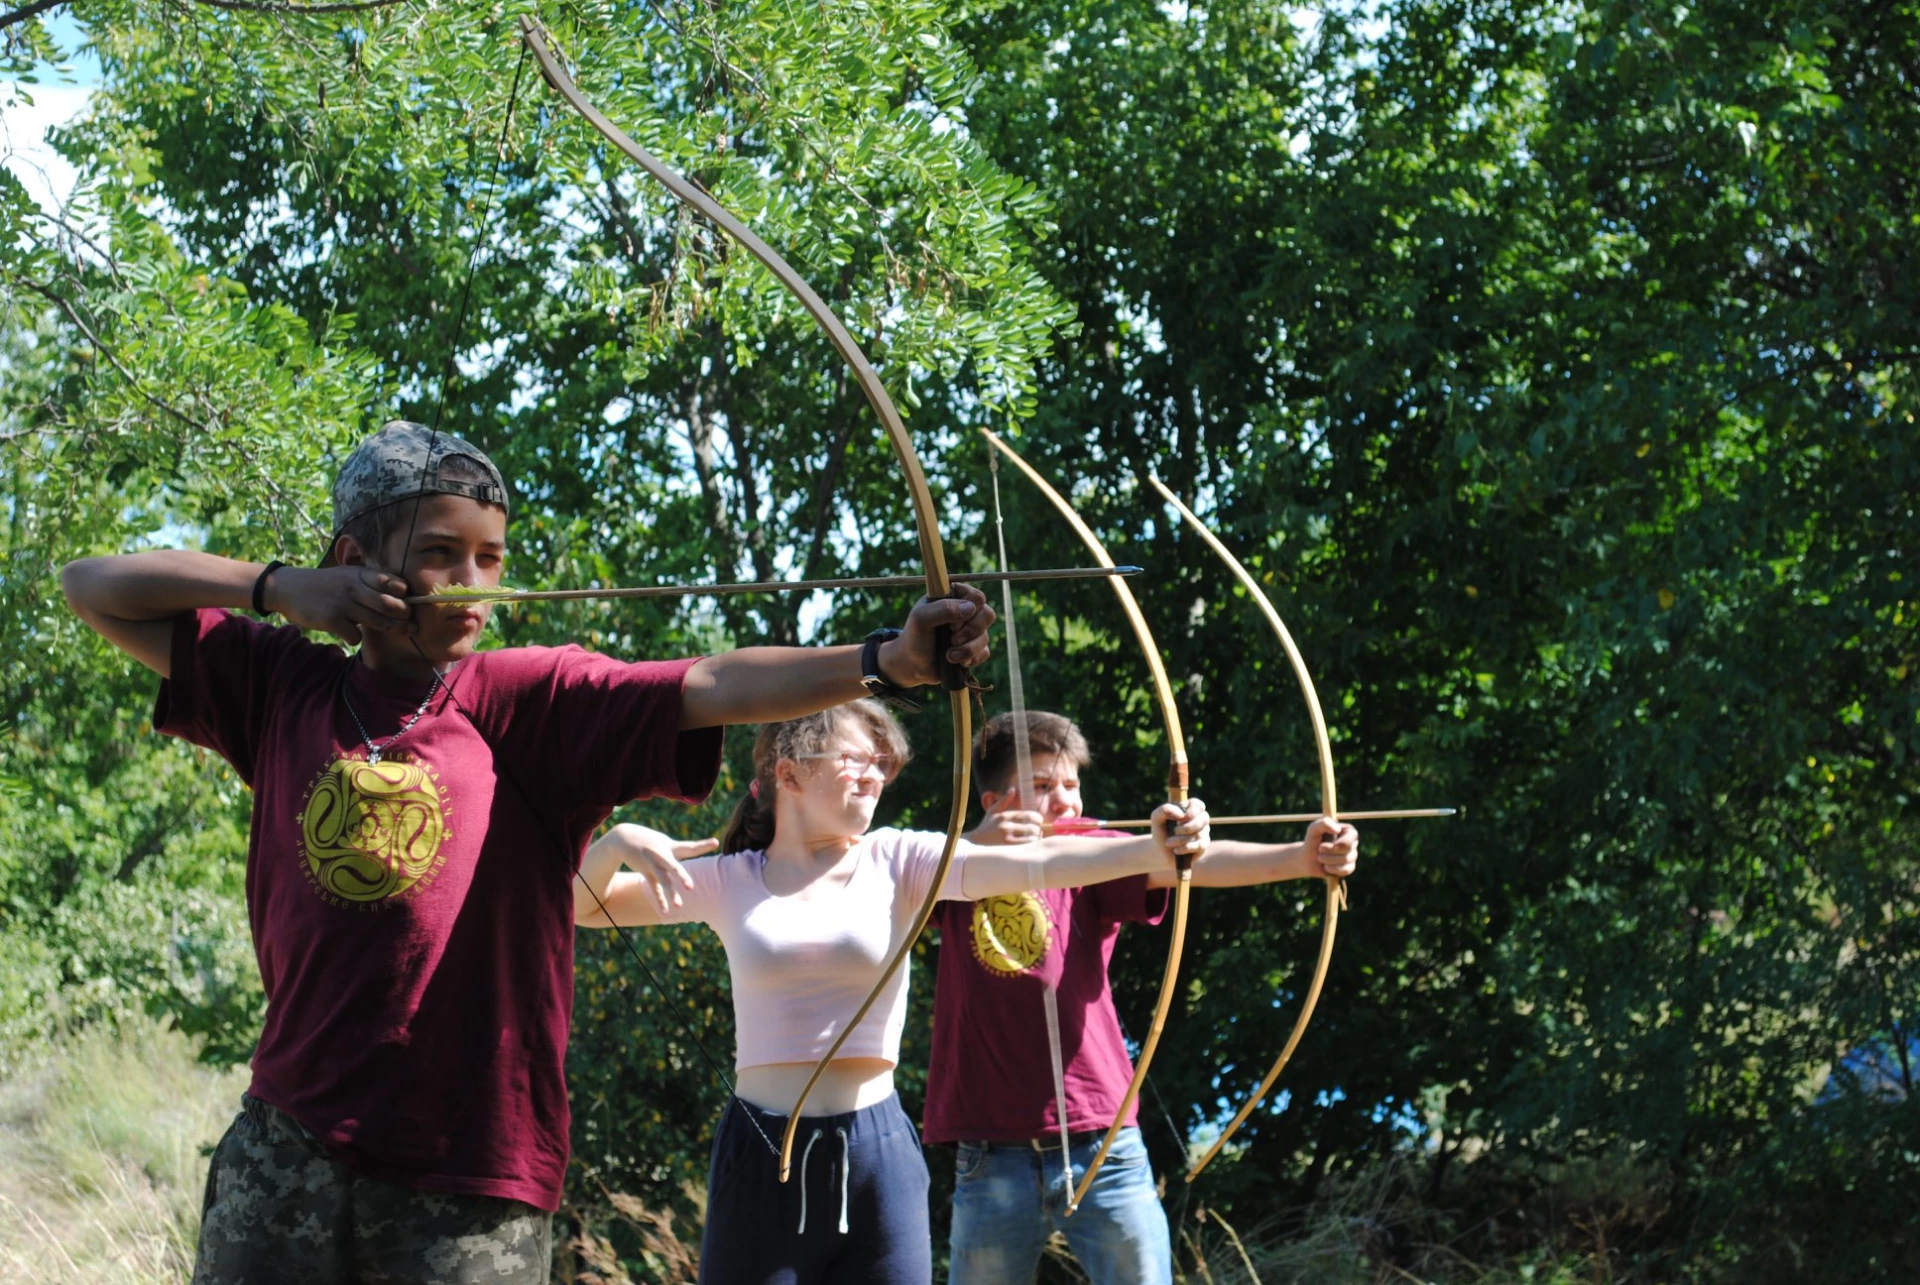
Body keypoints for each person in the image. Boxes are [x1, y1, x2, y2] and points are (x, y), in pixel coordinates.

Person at [58, 420, 996, 1285]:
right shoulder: (280, 683)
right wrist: (274, 588)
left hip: (473, 1171)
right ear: (354, 563)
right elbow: (91, 585)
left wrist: (886, 662)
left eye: (491, 556)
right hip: (287, 1142)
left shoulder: (529, 701)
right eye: (440, 553)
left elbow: (710, 681)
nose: (474, 580)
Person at [574, 698, 1211, 1284]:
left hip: (878, 1154)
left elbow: (1034, 863)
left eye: (882, 765)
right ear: (789, 773)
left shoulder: (898, 858)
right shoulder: (731, 879)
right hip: (762, 1153)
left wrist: (1153, 849)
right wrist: (619, 841)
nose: (875, 776)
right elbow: (584, 905)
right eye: (856, 759)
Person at [925, 710, 1359, 1285]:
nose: (1065, 801)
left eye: (1072, 785)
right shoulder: (950, 870)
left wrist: (1302, 858)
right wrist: (976, 844)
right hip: (990, 1149)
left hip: (1102, 1142)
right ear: (993, 802)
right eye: (1043, 786)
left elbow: (1186, 863)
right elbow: (888, 869)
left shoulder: (1098, 858)